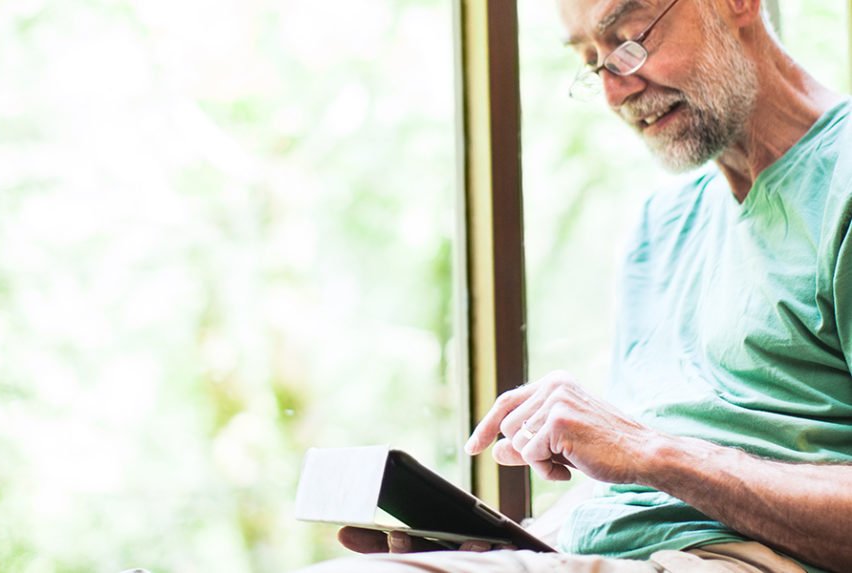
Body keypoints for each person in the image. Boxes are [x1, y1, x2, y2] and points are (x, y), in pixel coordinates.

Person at [296, 0, 852, 571]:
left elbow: (655, 457)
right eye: (592, 61)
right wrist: (514, 540)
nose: (615, 92)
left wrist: (646, 450)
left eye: (630, 39)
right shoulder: (661, 227)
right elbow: (640, 485)